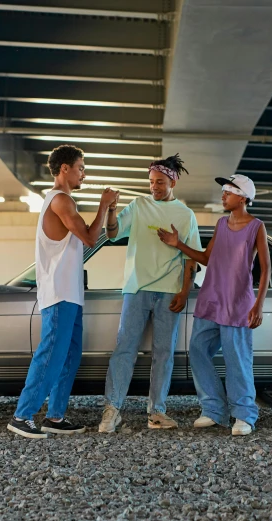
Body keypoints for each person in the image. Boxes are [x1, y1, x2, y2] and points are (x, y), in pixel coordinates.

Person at [8, 144, 119, 439]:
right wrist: (103, 204)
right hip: (58, 294)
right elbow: (90, 238)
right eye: (81, 167)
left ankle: (55, 417)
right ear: (65, 169)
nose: (84, 173)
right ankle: (23, 415)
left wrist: (108, 211)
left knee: (69, 356)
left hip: (70, 293)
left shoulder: (63, 201)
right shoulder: (61, 201)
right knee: (50, 355)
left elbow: (104, 233)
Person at [157, 174, 269, 436]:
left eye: (228, 192)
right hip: (211, 299)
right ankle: (213, 409)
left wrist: (258, 304)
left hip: (238, 303)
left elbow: (265, 269)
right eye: (223, 191)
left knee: (237, 360)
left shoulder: (256, 227)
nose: (223, 195)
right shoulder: (221, 224)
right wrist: (178, 244)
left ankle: (244, 414)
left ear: (243, 198)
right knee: (197, 350)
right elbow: (206, 258)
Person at [98, 154, 201, 432]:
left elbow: (191, 258)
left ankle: (156, 412)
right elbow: (112, 233)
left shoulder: (185, 214)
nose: (154, 187)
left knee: (163, 353)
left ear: (173, 181)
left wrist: (184, 292)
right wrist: (110, 210)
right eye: (151, 182)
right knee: (124, 349)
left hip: (169, 292)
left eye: (160, 182)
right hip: (137, 289)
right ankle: (112, 409)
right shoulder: (138, 205)